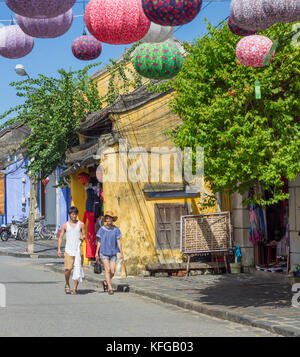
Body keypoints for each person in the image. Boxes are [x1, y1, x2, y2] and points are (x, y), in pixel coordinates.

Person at [57, 206, 86, 295]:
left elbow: (84, 235)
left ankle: (74, 288)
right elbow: (61, 237)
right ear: (69, 215)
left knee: (77, 268)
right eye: (73, 214)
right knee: (68, 269)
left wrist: (82, 238)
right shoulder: (65, 225)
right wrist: (59, 249)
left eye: (75, 214)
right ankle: (67, 284)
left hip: (78, 250)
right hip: (68, 250)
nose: (74, 216)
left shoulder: (81, 224)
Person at [95, 211, 124, 295]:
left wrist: (121, 253)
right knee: (107, 270)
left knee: (113, 271)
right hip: (104, 252)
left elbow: (118, 241)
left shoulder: (116, 230)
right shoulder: (102, 229)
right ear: (105, 219)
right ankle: (110, 287)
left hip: (113, 252)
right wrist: (96, 252)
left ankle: (106, 282)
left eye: (110, 218)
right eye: (107, 218)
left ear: (112, 219)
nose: (108, 219)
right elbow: (99, 242)